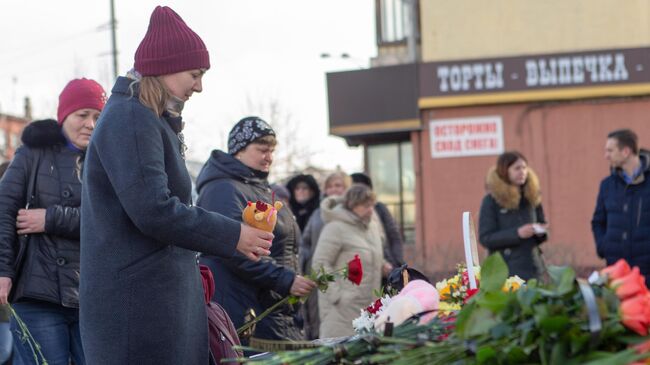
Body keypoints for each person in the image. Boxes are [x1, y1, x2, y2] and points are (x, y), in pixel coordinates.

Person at [79, 7, 273, 365]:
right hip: (138, 313)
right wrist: (233, 235)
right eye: (195, 74)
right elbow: (153, 211)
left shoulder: (145, 117)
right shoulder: (131, 118)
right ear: (165, 67)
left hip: (150, 305)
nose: (199, 85)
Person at [0, 78, 106, 365]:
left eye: (97, 116)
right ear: (64, 116)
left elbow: (110, 221)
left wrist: (51, 218)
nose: (90, 124)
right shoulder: (32, 154)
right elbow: (4, 209)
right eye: (82, 115)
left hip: (93, 294)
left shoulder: (107, 161)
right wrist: (3, 271)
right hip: (38, 294)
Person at [196, 116, 315, 348]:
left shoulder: (257, 187)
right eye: (262, 149)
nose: (269, 157)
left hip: (273, 307)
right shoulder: (223, 189)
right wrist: (285, 279)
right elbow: (230, 248)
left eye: (272, 150)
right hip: (248, 311)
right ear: (239, 150)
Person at [312, 184, 385, 338]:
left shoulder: (371, 227)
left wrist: (383, 265)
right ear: (353, 205)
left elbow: (366, 255)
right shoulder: (335, 228)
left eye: (372, 205)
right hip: (340, 312)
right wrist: (336, 296)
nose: (371, 209)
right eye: (366, 205)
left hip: (368, 308)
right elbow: (319, 264)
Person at [478, 151, 548, 281]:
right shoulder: (492, 201)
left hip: (534, 268)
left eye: (524, 167)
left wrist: (540, 231)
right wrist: (517, 233)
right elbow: (486, 238)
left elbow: (543, 224)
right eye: (517, 168)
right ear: (505, 171)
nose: (522, 172)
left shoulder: (532, 196)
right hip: (506, 271)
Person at [592, 129, 650, 282]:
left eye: (610, 150)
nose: (606, 156)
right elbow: (598, 222)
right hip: (617, 272)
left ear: (625, 151)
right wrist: (604, 246)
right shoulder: (607, 185)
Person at [300, 171, 351, 340]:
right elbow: (305, 244)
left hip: (347, 275)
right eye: (329, 186)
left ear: (346, 188)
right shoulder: (317, 214)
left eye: (338, 185)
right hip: (319, 276)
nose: (333, 190)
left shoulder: (354, 213)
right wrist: (302, 268)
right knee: (320, 321)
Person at [350, 173, 405, 269]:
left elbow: (394, 234)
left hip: (388, 263)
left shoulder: (379, 207)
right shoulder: (347, 212)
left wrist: (397, 261)